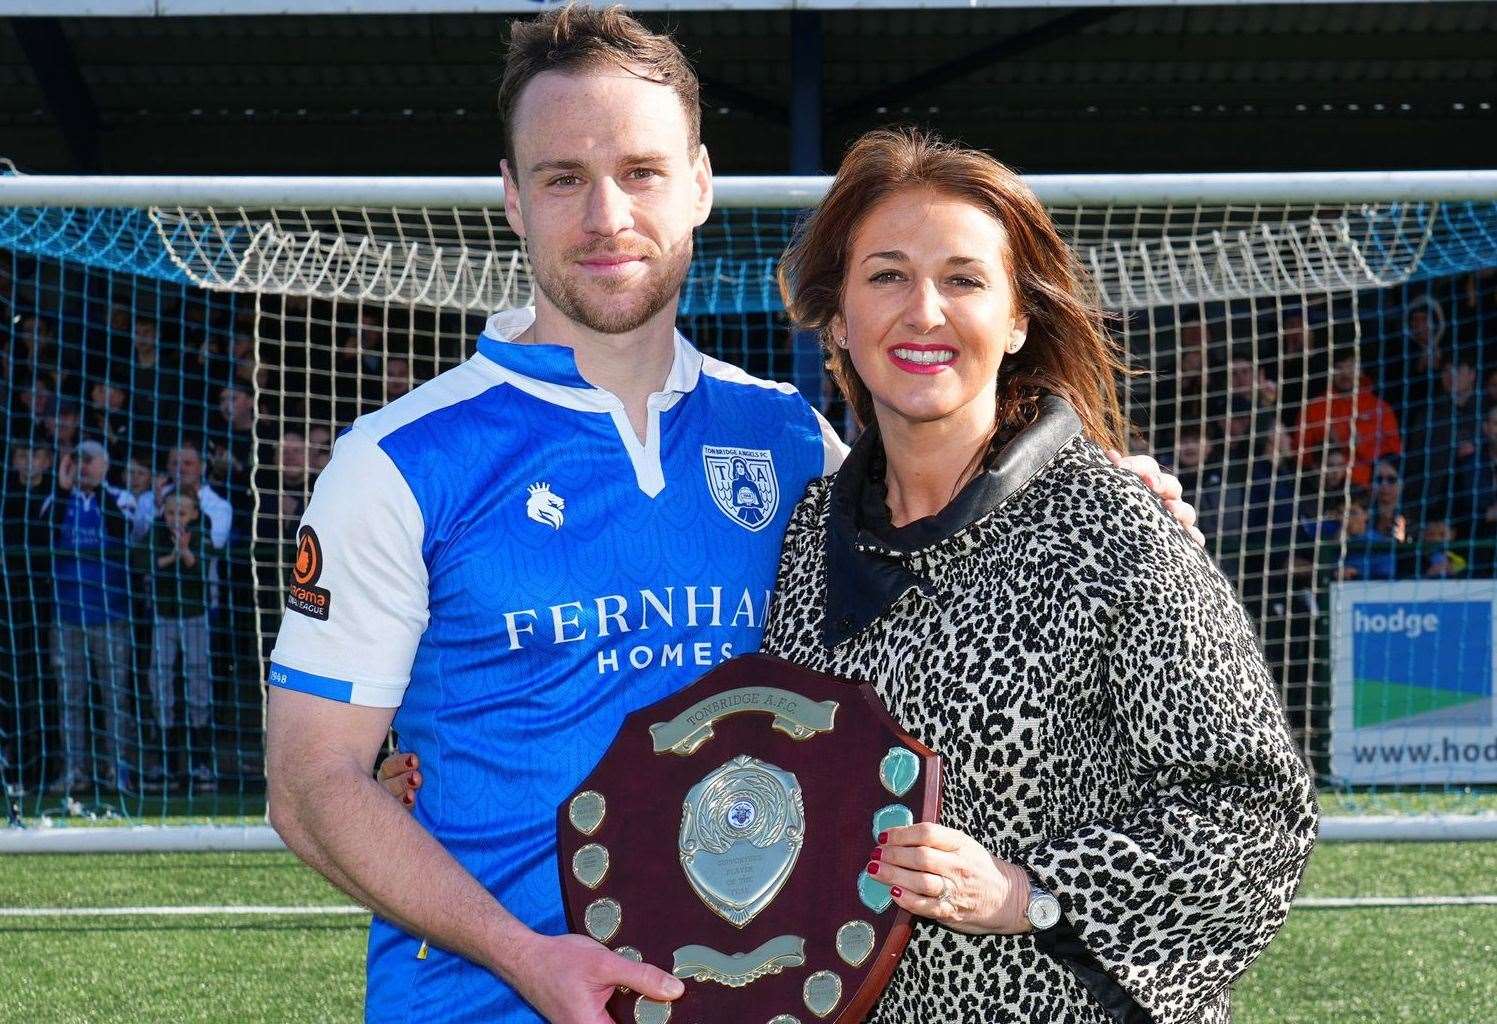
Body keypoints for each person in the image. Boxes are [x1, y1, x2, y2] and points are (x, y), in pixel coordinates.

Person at [269, 8, 1198, 1024]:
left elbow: (955, 538)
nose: (606, 215)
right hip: (485, 1001)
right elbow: (311, 785)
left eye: (641, 172)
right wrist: (528, 957)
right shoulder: (397, 465)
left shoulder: (791, 439)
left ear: (702, 184)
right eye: (563, 178)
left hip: (759, 997)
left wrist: (1097, 505)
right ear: (511, 198)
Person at [755, 128, 1316, 1023]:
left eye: (964, 280)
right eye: (887, 275)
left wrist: (1028, 894)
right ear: (839, 319)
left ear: (1017, 319)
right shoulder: (808, 532)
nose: (924, 311)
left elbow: (1255, 811)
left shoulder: (1112, 526)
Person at [41, 440, 135, 793]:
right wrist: (64, 491)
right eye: (77, 460)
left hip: (111, 615)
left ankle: (118, 771)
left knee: (115, 697)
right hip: (66, 616)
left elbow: (124, 534)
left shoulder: (121, 500)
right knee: (70, 697)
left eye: (90, 461)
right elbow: (41, 535)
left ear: (104, 465)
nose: (82, 467)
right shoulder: (56, 501)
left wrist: (98, 491)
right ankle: (73, 771)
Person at [132, 490, 215, 791]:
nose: (175, 519)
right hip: (164, 618)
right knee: (160, 683)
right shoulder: (156, 533)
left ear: (193, 514)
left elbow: (201, 567)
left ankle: (200, 763)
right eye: (170, 513)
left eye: (182, 513)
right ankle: (163, 763)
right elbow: (140, 560)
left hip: (194, 618)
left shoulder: (202, 532)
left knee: (197, 684)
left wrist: (186, 553)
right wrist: (172, 556)